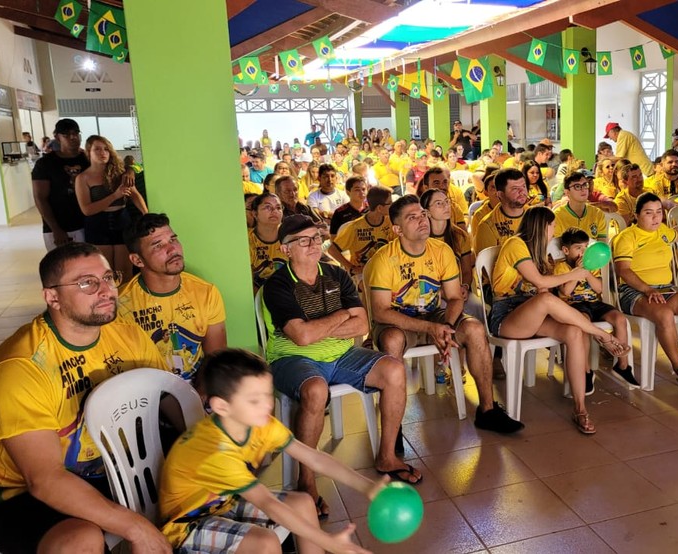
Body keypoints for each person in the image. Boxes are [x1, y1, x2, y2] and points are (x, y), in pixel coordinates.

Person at [0, 242, 172, 554]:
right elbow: (45, 479)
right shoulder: (20, 368)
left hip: (109, 467)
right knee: (79, 541)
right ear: (52, 297)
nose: (105, 290)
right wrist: (134, 526)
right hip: (21, 494)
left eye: (108, 278)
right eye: (87, 283)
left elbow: (168, 398)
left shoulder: (126, 332)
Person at [261, 215, 419, 503]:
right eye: (303, 240)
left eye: (316, 237)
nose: (313, 244)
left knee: (394, 369)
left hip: (343, 354)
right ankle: (305, 480)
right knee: (315, 389)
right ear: (286, 249)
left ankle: (387, 457)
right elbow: (301, 338)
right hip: (292, 359)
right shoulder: (278, 285)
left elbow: (362, 326)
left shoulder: (336, 275)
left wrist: (319, 326)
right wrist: (342, 314)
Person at [158, 349, 380, 554]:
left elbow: (314, 457)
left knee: (303, 502)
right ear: (222, 407)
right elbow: (268, 503)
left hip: (225, 501)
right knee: (265, 542)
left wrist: (367, 486)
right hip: (186, 527)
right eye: (254, 400)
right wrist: (328, 542)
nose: (266, 405)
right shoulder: (215, 452)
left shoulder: (260, 423)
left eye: (267, 394)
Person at [364, 196, 524, 433]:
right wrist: (431, 329)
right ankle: (393, 426)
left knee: (475, 329)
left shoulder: (442, 250)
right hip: (397, 322)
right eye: (412, 217)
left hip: (433, 314)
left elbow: (455, 297)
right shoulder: (384, 259)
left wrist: (447, 326)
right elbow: (381, 312)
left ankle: (488, 410)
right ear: (397, 229)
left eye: (422, 214)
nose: (422, 221)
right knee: (392, 340)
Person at [489, 208, 628, 434]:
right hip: (506, 316)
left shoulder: (538, 252)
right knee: (545, 299)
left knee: (573, 332)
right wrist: (576, 274)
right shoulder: (515, 245)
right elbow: (539, 281)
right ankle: (602, 335)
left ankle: (580, 408)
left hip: (531, 311)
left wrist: (574, 276)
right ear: (543, 226)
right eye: (552, 226)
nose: (554, 230)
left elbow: (544, 287)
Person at [612, 193, 678, 391]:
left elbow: (677, 234)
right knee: (665, 314)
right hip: (633, 291)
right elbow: (623, 270)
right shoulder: (627, 237)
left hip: (666, 288)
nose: (656, 217)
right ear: (636, 215)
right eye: (649, 213)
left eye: (659, 212)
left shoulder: (663, 231)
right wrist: (647, 289)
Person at [118, 213, 227, 383]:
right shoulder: (121, 305)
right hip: (146, 391)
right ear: (137, 260)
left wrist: (201, 395)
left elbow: (216, 357)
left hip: (196, 384)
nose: (172, 249)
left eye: (173, 240)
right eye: (157, 245)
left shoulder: (206, 292)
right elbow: (124, 370)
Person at [555, 228, 632, 388]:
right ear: (566, 250)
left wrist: (587, 271)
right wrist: (578, 271)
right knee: (583, 324)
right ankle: (586, 371)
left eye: (586, 247)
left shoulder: (592, 266)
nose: (584, 252)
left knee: (620, 319)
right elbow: (566, 291)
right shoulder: (561, 267)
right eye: (578, 248)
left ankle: (622, 366)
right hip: (573, 306)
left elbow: (599, 289)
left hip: (594, 303)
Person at [74, 135, 147, 280]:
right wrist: (115, 196)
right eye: (98, 149)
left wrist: (146, 216)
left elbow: (135, 195)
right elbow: (87, 210)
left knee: (125, 270)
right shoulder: (83, 178)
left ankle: (124, 301)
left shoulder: (120, 173)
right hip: (97, 224)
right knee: (104, 271)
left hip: (122, 220)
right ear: (89, 152)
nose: (103, 153)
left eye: (106, 149)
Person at [32, 118, 89, 250]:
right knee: (62, 266)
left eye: (75, 133)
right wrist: (56, 229)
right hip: (58, 227)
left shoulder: (88, 159)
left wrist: (130, 171)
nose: (72, 137)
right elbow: (40, 198)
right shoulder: (45, 163)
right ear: (57, 137)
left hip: (87, 224)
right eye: (66, 135)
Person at [326, 186, 394, 274]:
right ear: (380, 208)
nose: (393, 206)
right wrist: (351, 268)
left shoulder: (392, 222)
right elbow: (332, 250)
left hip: (386, 268)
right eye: (390, 203)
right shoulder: (355, 227)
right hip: (363, 272)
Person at [420, 189, 474, 296]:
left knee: (476, 306)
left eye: (447, 201)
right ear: (427, 212)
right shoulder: (420, 239)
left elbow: (467, 271)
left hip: (456, 291)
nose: (446, 206)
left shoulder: (460, 236)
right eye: (439, 203)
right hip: (429, 295)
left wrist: (465, 286)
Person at [472, 168, 528, 256]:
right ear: (500, 194)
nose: (522, 192)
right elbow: (486, 266)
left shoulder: (535, 216)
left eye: (524, 186)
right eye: (515, 189)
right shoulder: (487, 226)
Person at [248, 191, 288, 291]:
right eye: (268, 207)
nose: (274, 211)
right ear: (254, 213)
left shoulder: (292, 236)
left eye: (278, 207)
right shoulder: (247, 240)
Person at [553, 172, 607, 240]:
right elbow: (556, 248)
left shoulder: (597, 213)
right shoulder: (557, 216)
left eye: (585, 185)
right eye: (577, 186)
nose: (583, 189)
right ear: (567, 192)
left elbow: (602, 246)